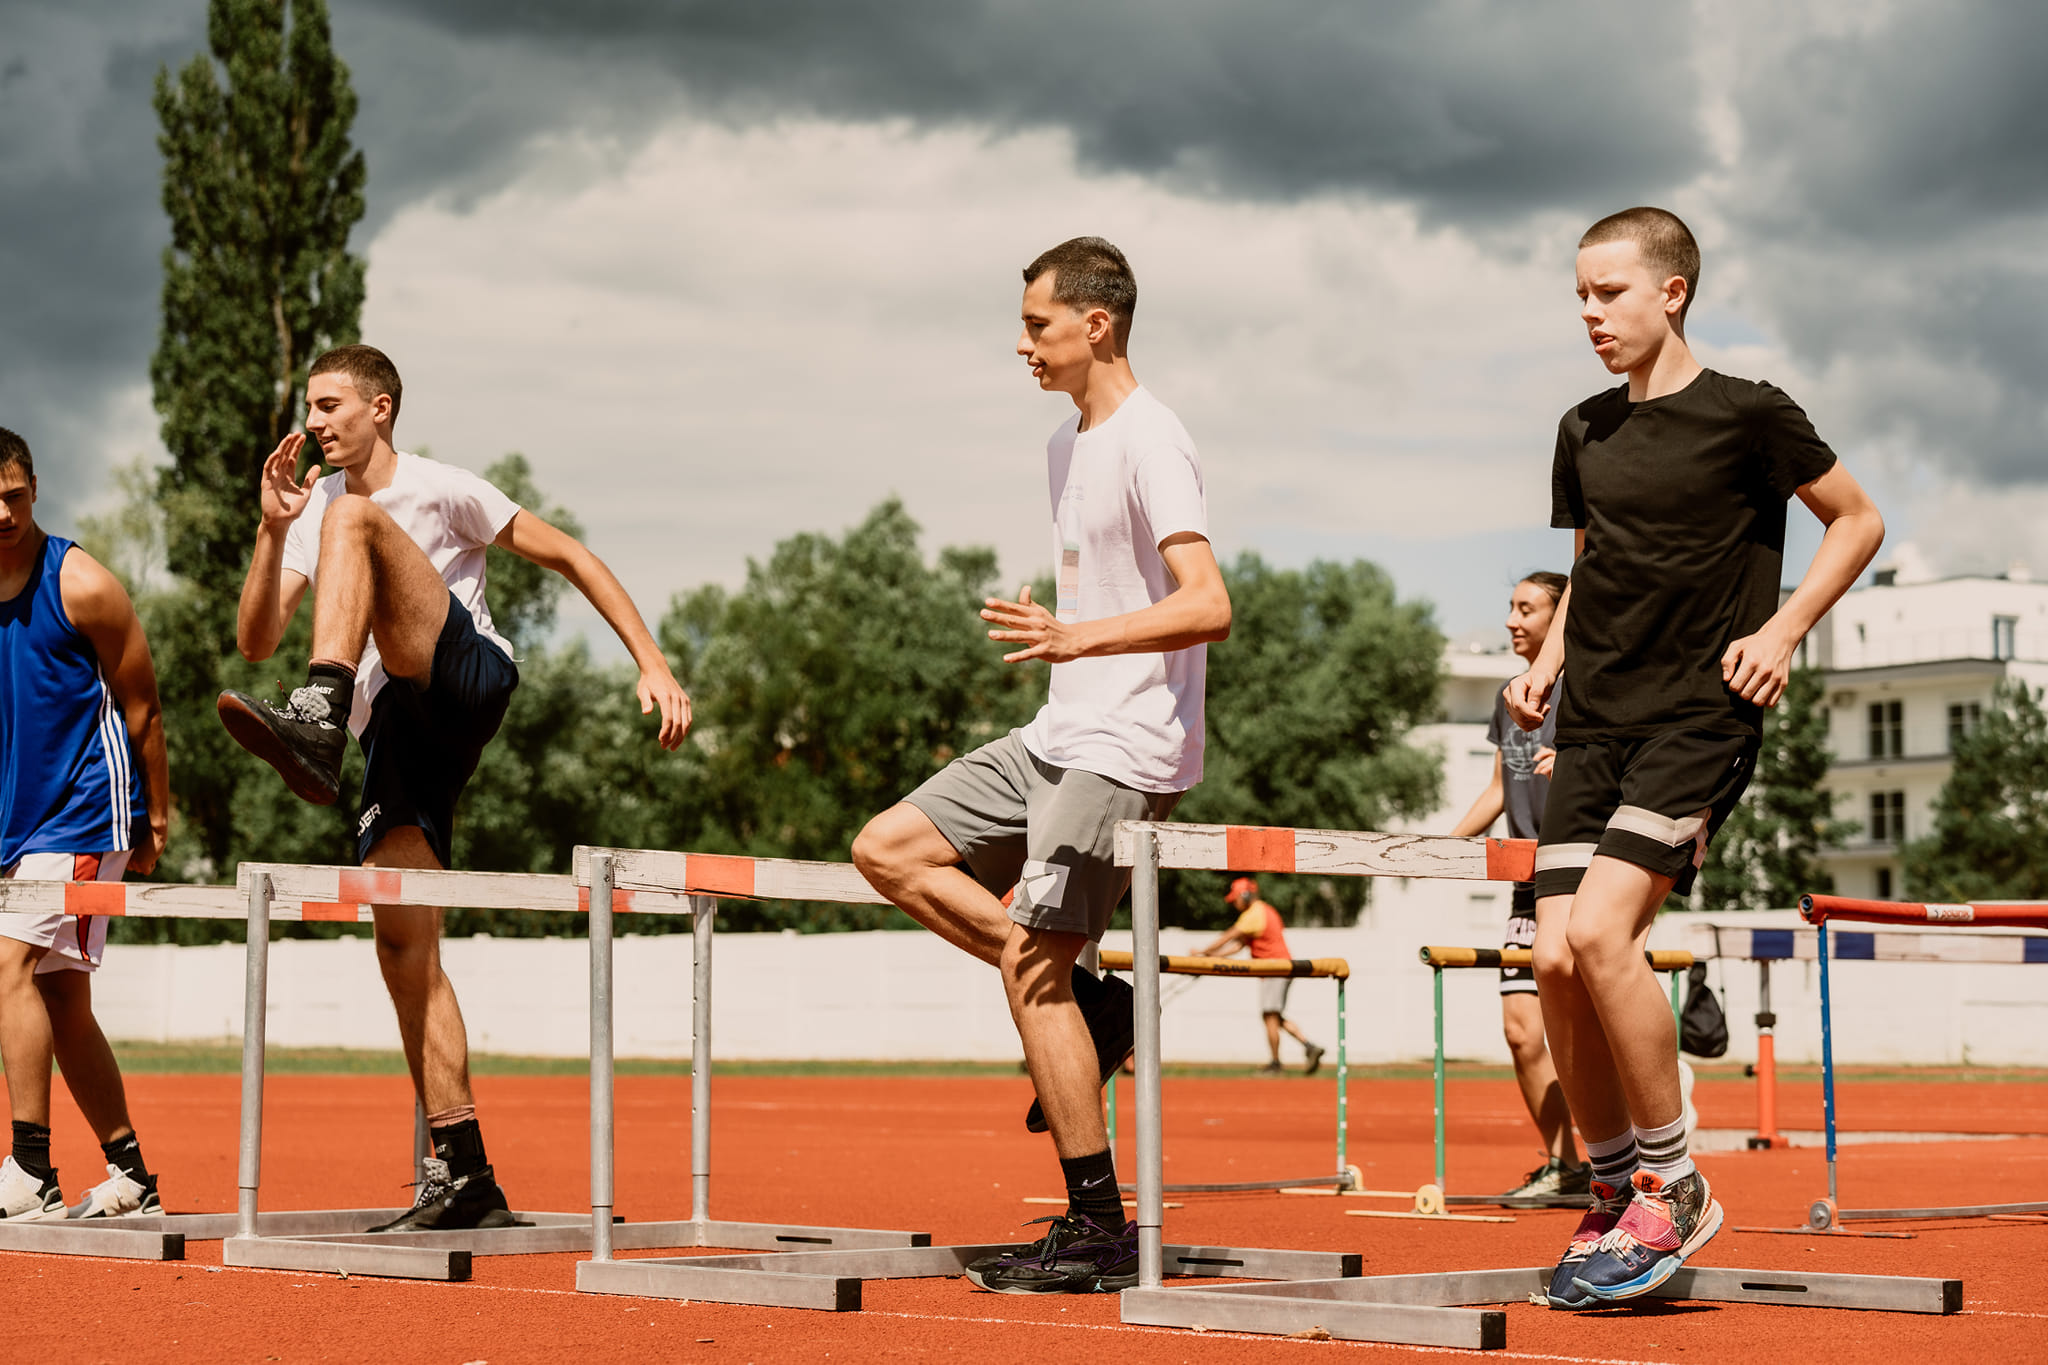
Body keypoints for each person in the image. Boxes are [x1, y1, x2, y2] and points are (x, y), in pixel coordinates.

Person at [218, 346, 690, 1232]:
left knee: (355, 521)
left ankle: (318, 710)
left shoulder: (440, 488)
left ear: (380, 408)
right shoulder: (313, 507)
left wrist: (652, 662)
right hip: (396, 731)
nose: (313, 422)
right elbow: (254, 641)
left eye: (329, 405)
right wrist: (272, 530)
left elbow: (572, 556)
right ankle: (465, 1170)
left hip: (464, 675)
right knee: (403, 942)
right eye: (309, 407)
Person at [1507, 208, 1883, 1308]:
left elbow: (1856, 520)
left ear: (1670, 291)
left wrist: (1783, 630)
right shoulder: (1582, 428)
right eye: (1580, 296)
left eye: (1609, 292)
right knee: (1551, 961)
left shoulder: (1747, 413)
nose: (1590, 314)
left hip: (1697, 716)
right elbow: (1591, 563)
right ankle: (1609, 1185)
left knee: (1599, 932)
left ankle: (1672, 1183)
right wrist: (1548, 665)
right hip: (1593, 721)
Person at [853, 237, 1230, 1295]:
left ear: (1094, 324)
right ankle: (1095, 1003)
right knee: (886, 849)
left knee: (1030, 970)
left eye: (1036, 324)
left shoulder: (1154, 440)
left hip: (1123, 745)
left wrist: (1079, 637)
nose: (1021, 344)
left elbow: (1209, 604)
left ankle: (1098, 1227)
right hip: (1056, 732)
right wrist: (1068, 652)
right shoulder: (1067, 444)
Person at [0, 427, 170, 1222]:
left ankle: (32, 1168)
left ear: (35, 487)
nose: (3, 513)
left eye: (14, 495)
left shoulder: (81, 582)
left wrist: (156, 814)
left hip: (82, 810)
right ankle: (131, 1173)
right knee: (62, 995)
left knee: (7, 965)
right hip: (17, 816)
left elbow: (143, 705)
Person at [1449, 572, 1588, 1201]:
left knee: (1591, 1029)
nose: (1512, 619)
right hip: (1525, 886)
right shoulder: (1511, 696)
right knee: (1521, 1030)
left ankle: (1640, 1157)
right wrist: (1443, 847)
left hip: (1585, 877)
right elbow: (1500, 789)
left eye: (1527, 609)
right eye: (1510, 606)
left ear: (1559, 618)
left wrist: (1578, 767)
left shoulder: (1588, 689)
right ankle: (1565, 1166)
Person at [1194, 877, 1324, 1075]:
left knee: (1270, 1016)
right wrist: (1211, 956)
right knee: (1273, 1015)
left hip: (1275, 969)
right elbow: (1238, 945)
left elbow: (1230, 936)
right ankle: (1309, 1046)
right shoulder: (1264, 911)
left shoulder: (1254, 914)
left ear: (1245, 896)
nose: (1234, 903)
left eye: (1236, 899)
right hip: (1279, 969)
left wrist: (1204, 951)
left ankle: (1276, 1063)